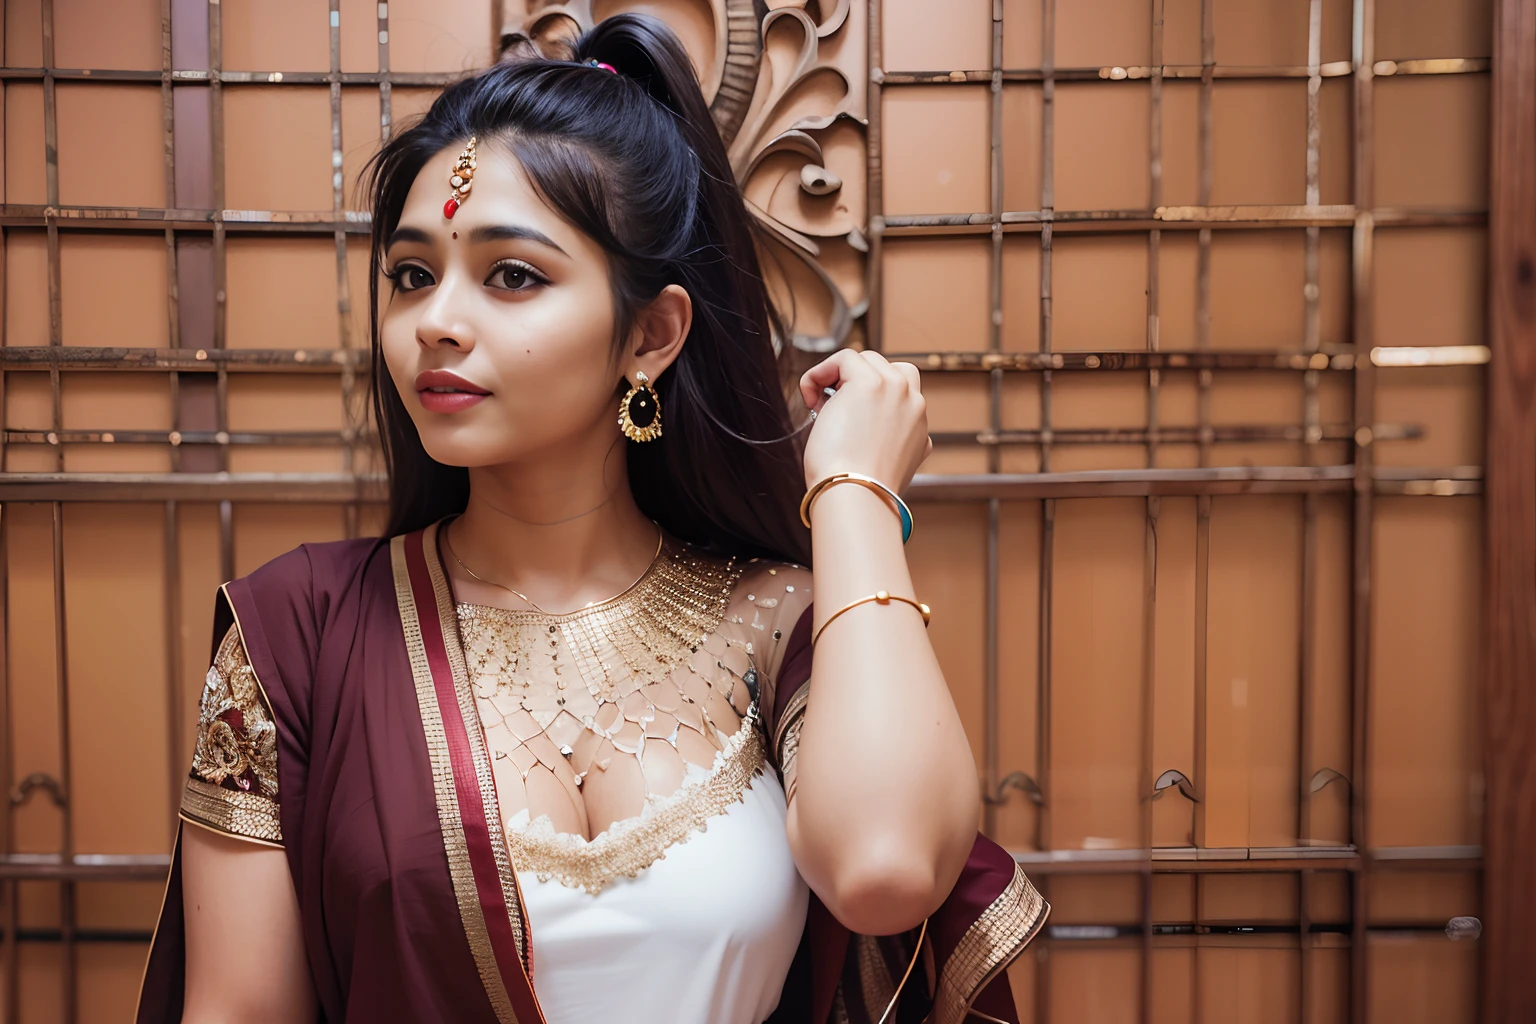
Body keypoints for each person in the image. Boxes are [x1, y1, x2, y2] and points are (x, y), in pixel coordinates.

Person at [135, 14, 1045, 1024]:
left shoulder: (777, 620)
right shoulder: (297, 640)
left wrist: (852, 490)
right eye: (411, 274)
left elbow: (886, 866)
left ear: (650, 334)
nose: (436, 318)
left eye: (510, 275)